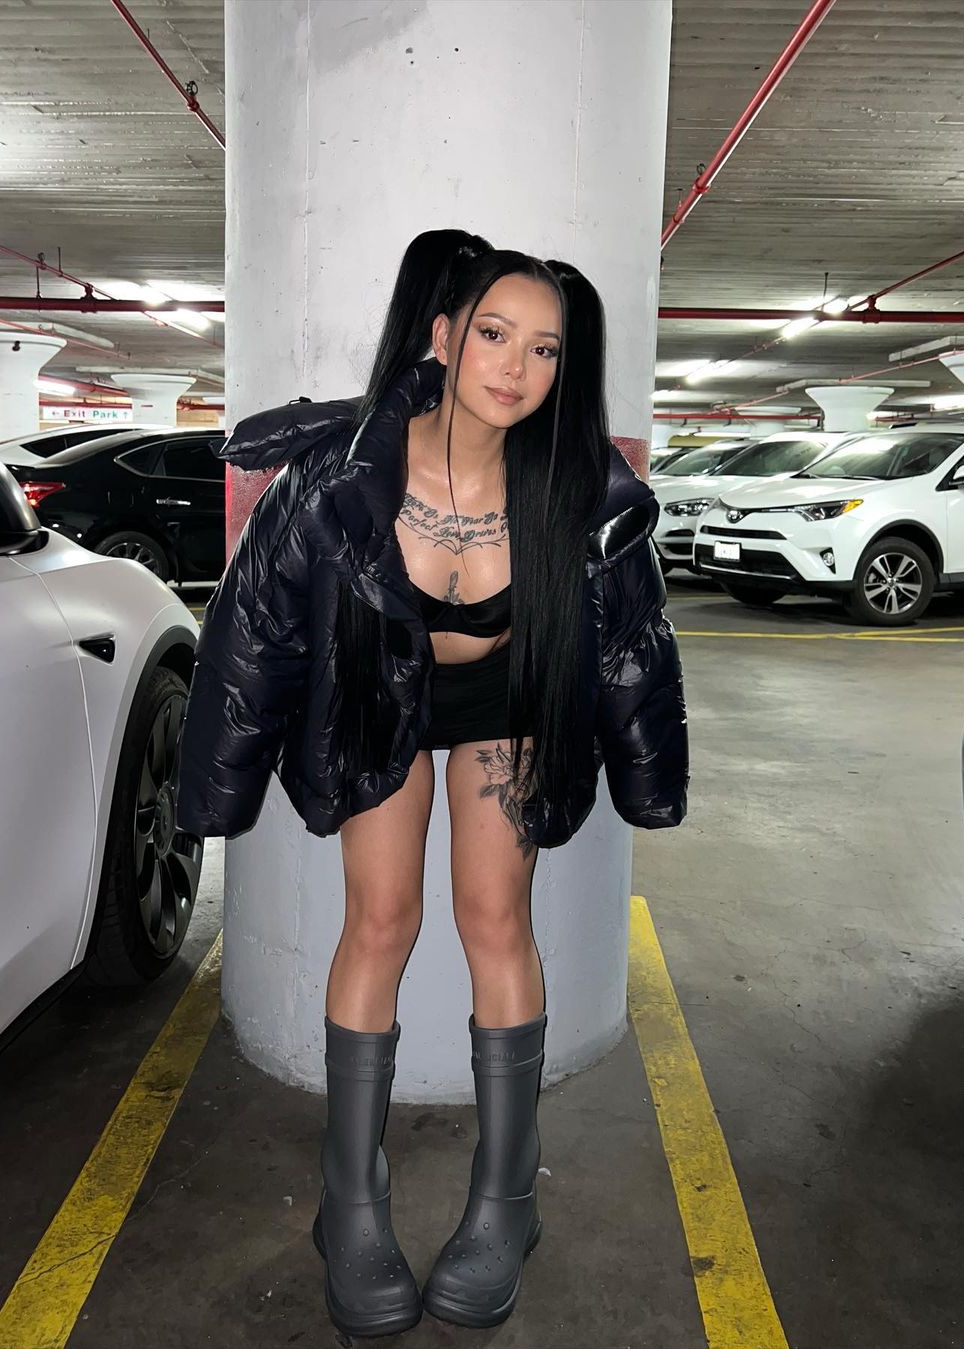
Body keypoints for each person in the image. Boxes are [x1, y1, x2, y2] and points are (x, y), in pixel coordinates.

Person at [175, 229, 689, 1338]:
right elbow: (253, 627)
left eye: (546, 348)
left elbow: (633, 641)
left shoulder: (576, 488)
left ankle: (507, 1201)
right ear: (446, 337)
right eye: (496, 333)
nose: (517, 366)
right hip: (383, 695)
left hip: (510, 699)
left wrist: (650, 776)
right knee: (380, 919)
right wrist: (214, 792)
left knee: (497, 918)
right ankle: (349, 1205)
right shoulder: (345, 472)